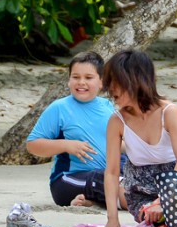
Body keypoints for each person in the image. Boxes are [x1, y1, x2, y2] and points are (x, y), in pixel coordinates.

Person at [102, 49, 177, 227]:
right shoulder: (116, 121)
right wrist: (112, 219)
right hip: (142, 193)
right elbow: (111, 172)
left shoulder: (169, 112)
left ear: (135, 80)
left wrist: (163, 200)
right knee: (162, 225)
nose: (110, 89)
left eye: (115, 82)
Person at [26, 50, 126, 209]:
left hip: (109, 173)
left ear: (101, 82)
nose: (81, 82)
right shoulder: (59, 108)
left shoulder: (108, 107)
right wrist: (67, 145)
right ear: (68, 81)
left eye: (88, 78)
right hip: (68, 179)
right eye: (76, 77)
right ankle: (138, 204)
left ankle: (93, 202)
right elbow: (32, 145)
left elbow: (117, 144)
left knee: (133, 172)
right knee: (106, 180)